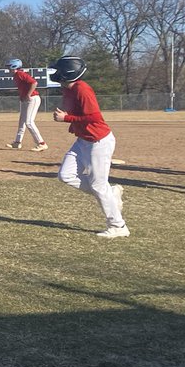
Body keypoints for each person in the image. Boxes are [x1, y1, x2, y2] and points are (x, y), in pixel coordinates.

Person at [51, 56, 128, 238]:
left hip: (98, 141)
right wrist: (70, 119)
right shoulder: (67, 89)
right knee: (65, 175)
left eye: (58, 70)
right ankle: (111, 193)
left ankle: (118, 226)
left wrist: (67, 118)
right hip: (83, 140)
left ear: (66, 73)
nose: (55, 74)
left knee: (98, 185)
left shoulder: (82, 90)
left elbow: (94, 117)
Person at [7, 58, 49, 151]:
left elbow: (34, 83)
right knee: (22, 121)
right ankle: (17, 143)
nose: (8, 69)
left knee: (29, 122)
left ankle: (42, 143)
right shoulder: (16, 75)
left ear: (14, 66)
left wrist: (28, 94)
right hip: (25, 100)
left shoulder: (20, 74)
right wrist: (22, 95)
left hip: (32, 99)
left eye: (9, 67)